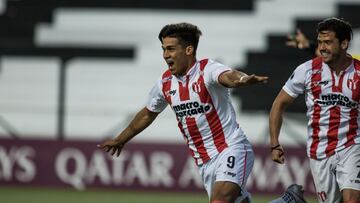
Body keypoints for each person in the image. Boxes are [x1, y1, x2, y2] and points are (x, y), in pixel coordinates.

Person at [97, 22, 268, 203]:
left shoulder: (207, 69)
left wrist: (241, 80)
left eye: (170, 49)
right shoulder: (164, 83)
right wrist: (120, 139)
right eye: (163, 49)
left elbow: (228, 75)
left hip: (231, 148)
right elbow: (148, 113)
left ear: (188, 50)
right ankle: (289, 200)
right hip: (204, 162)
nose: (165, 55)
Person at [269, 17, 360, 203]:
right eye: (320, 42)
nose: (323, 47)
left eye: (328, 42)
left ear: (344, 44)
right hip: (319, 151)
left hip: (353, 145)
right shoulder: (307, 71)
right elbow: (279, 104)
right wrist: (274, 143)